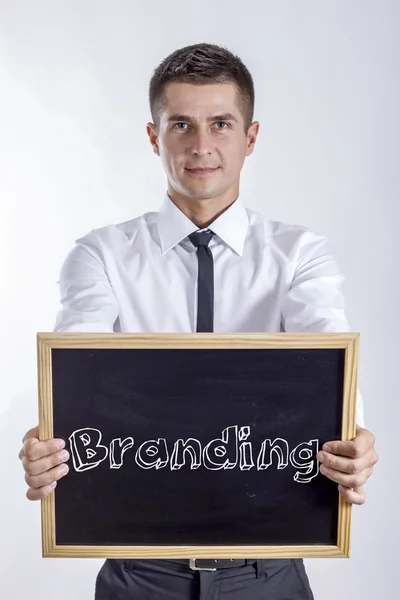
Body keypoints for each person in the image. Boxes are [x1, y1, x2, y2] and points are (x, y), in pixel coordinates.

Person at [18, 42, 378, 600]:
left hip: (268, 574)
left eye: (221, 124)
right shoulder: (101, 256)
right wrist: (49, 440)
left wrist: (355, 439)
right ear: (153, 136)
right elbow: (74, 373)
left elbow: (328, 358)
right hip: (140, 575)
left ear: (250, 137)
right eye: (181, 124)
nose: (201, 145)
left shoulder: (300, 256)